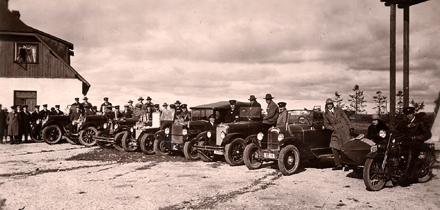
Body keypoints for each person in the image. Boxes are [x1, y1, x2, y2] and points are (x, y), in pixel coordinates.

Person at [395, 107, 432, 181]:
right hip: (407, 143)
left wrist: (416, 137)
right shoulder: (404, 123)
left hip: (417, 143)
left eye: (410, 113)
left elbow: (428, 134)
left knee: (411, 151)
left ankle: (407, 174)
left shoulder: (420, 122)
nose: (409, 115)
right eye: (407, 114)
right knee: (395, 149)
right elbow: (399, 132)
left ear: (413, 113)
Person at [323, 98, 353, 170]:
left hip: (344, 130)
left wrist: (350, 127)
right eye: (328, 105)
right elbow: (326, 124)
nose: (329, 106)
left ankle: (347, 164)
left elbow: (346, 118)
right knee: (334, 146)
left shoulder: (338, 109)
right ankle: (338, 165)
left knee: (345, 147)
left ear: (332, 104)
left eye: (330, 104)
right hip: (335, 132)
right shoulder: (326, 114)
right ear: (326, 106)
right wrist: (332, 128)